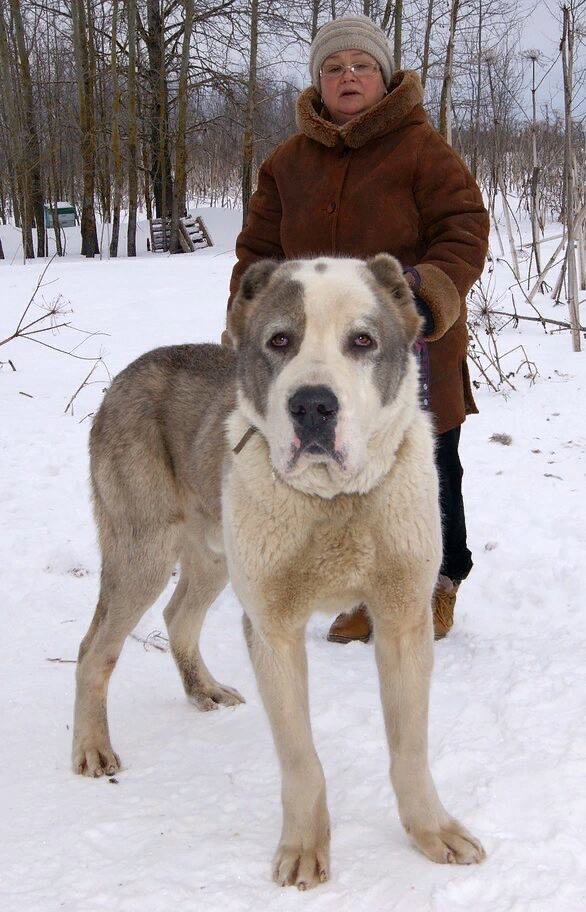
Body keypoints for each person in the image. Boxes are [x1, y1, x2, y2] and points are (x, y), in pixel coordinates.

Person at [223, 15, 489, 641]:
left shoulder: (422, 148)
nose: (349, 77)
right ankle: (362, 582)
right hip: (307, 355)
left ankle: (440, 581)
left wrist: (423, 292)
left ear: (383, 76)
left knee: (430, 467)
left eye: (362, 66)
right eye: (335, 67)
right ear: (318, 81)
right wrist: (247, 320)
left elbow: (465, 227)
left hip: (406, 348)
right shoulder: (287, 161)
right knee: (324, 462)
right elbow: (256, 250)